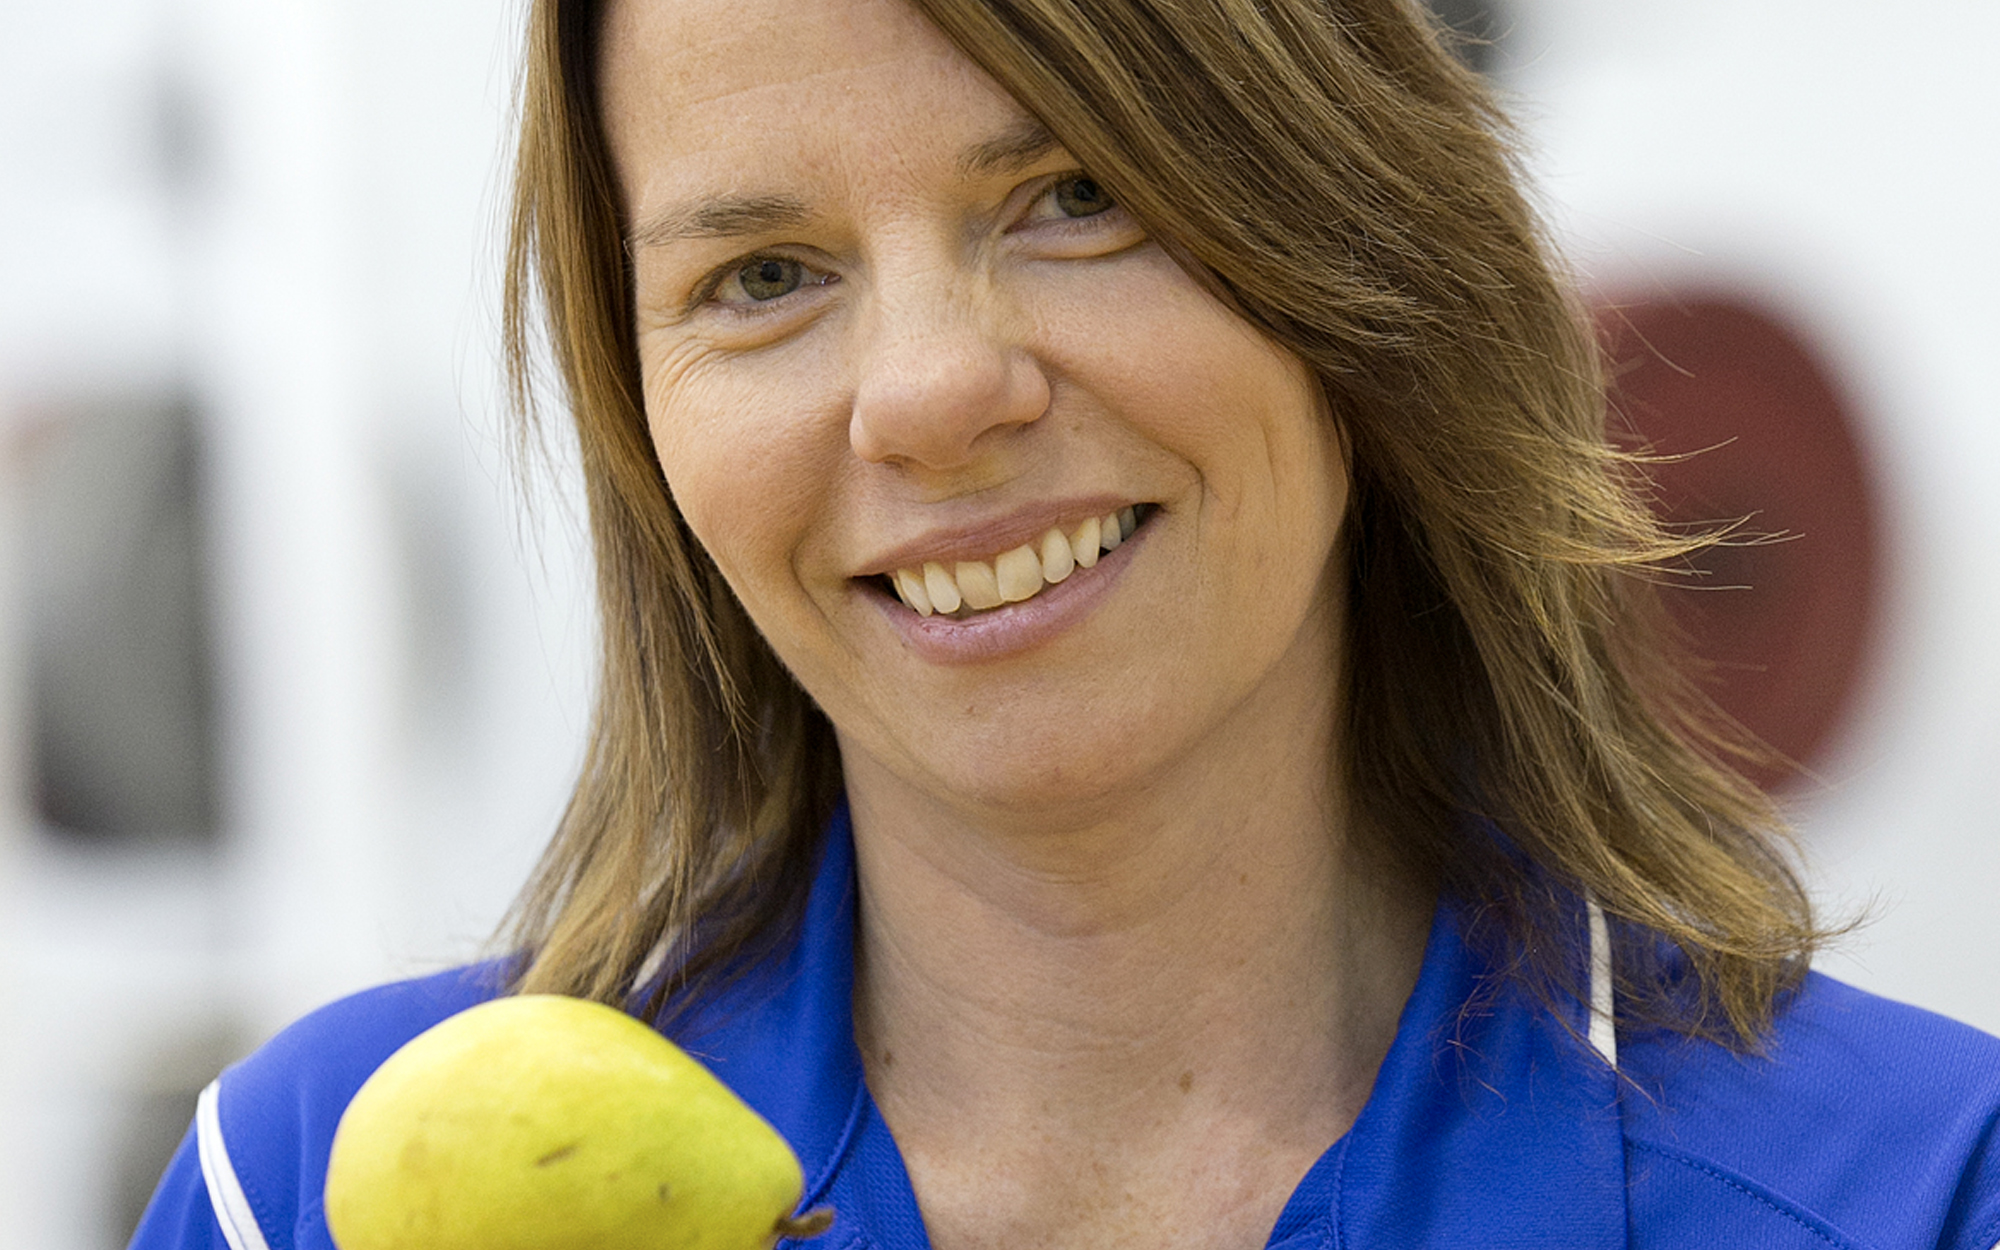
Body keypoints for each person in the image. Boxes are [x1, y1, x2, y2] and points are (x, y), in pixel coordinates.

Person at [133, 0, 2000, 1246]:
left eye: (1075, 196)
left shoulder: (1923, 1193)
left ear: (1362, 252)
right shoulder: (295, 1193)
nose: (933, 393)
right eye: (765, 274)